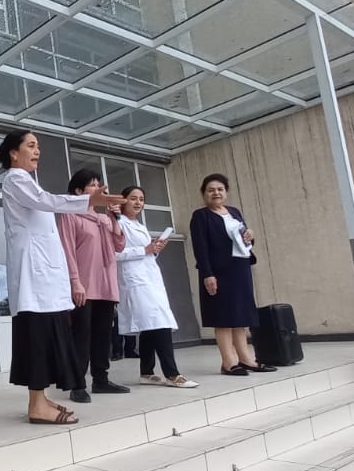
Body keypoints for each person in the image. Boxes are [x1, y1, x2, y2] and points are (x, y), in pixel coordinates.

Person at [0, 130, 123, 426]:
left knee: (47, 337)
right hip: (33, 279)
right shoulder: (15, 179)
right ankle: (36, 405)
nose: (37, 151)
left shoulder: (28, 181)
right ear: (13, 153)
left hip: (44, 280)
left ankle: (40, 400)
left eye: (38, 146)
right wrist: (87, 199)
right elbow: (47, 201)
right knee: (37, 339)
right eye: (31, 146)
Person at [189, 173, 277, 376]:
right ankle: (228, 362)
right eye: (211, 190)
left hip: (240, 268)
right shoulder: (201, 216)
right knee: (223, 316)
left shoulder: (234, 212)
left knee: (240, 315)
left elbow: (242, 238)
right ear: (204, 193)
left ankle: (246, 359)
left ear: (226, 192)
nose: (216, 193)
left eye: (220, 189)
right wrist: (207, 274)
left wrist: (250, 236)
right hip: (219, 271)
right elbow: (200, 248)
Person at [57, 168, 130, 403]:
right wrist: (74, 282)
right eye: (93, 185)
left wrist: (114, 218)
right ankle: (77, 384)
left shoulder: (104, 219)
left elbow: (119, 246)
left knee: (102, 334)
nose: (99, 188)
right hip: (84, 285)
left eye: (99, 184)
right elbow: (67, 250)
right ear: (79, 191)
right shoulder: (70, 216)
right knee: (81, 336)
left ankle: (101, 379)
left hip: (106, 284)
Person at [116, 186, 198, 388]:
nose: (138, 202)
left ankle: (146, 372)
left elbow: (146, 254)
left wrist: (155, 249)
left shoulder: (139, 225)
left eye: (141, 199)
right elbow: (114, 254)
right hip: (135, 280)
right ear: (123, 200)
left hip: (149, 278)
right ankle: (172, 374)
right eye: (133, 198)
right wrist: (145, 249)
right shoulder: (118, 224)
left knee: (150, 325)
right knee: (159, 323)